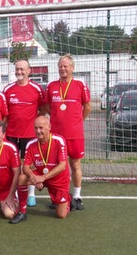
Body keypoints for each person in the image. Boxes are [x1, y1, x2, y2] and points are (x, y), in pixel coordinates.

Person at [46, 54, 92, 210]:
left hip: (75, 134)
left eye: (66, 66)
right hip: (56, 135)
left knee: (75, 164)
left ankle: (77, 196)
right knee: (57, 166)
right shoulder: (52, 86)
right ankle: (59, 196)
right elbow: (47, 107)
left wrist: (78, 121)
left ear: (72, 68)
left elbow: (88, 107)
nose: (63, 68)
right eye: (60, 66)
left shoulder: (80, 84)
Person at [3, 59, 45, 208]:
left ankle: (31, 194)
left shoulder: (37, 89)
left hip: (30, 135)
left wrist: (35, 125)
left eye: (22, 69)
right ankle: (13, 193)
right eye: (17, 69)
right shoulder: (8, 90)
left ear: (29, 71)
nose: (19, 72)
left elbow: (43, 108)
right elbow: (5, 114)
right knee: (12, 165)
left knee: (30, 165)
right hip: (11, 134)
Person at [15, 115, 71, 222]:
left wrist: (43, 177)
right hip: (40, 175)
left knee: (61, 215)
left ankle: (69, 199)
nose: (38, 131)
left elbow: (62, 166)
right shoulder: (31, 144)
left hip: (58, 179)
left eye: (41, 127)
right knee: (22, 178)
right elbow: (25, 166)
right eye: (36, 128)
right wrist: (33, 177)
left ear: (49, 127)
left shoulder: (59, 140)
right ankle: (22, 212)